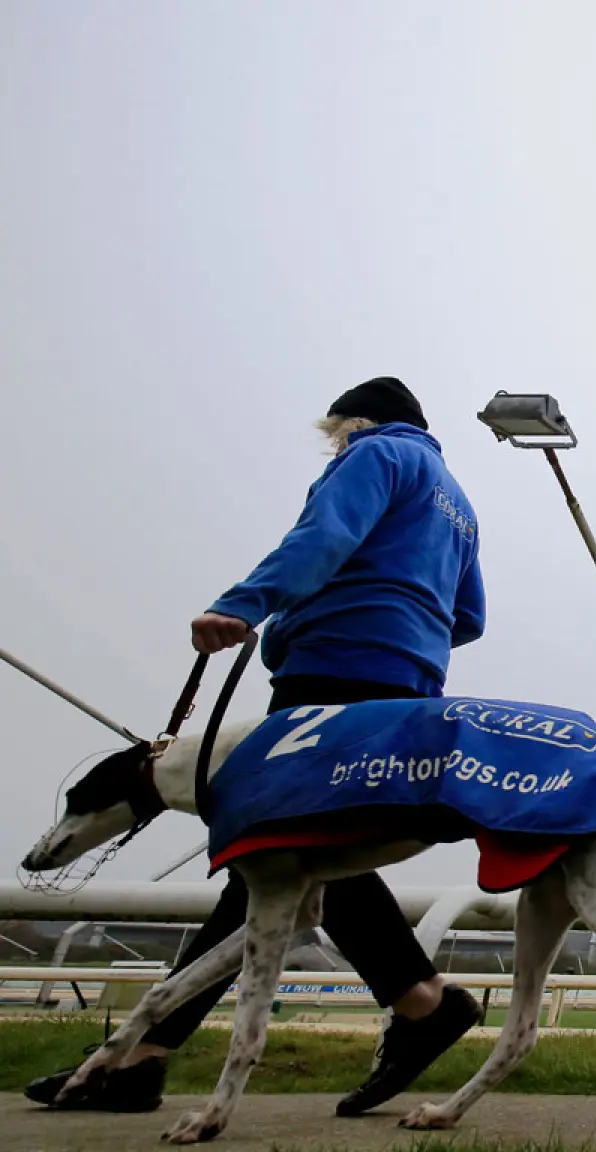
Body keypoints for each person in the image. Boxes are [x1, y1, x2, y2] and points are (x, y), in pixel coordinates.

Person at [27, 377, 488, 1117]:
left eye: (335, 432)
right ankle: (419, 1001)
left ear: (356, 422)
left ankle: (142, 1057)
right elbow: (468, 616)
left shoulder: (374, 455)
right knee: (295, 856)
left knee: (270, 849)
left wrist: (244, 606)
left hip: (329, 667)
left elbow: (325, 537)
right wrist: (411, 624)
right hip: (405, 686)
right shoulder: (457, 502)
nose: (333, 444)